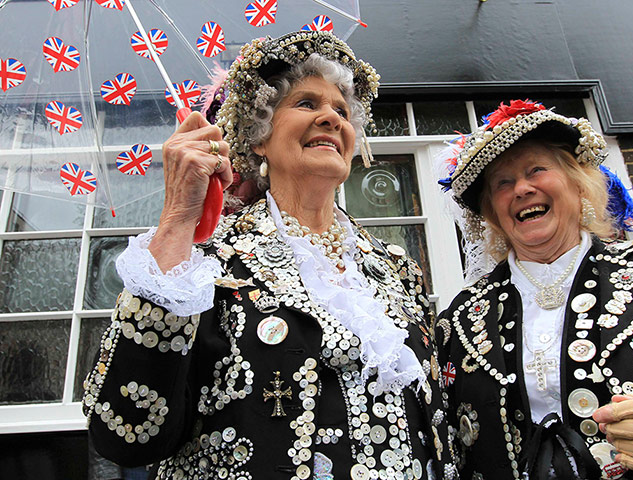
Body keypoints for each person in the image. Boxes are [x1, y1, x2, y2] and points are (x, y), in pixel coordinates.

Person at [82, 31, 456, 480]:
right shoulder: (204, 262)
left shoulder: (397, 269)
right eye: (306, 104)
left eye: (341, 110)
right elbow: (126, 433)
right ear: (259, 137)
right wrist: (180, 214)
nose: (331, 118)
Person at [435, 99, 633, 479]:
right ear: (493, 211)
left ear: (577, 183)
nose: (521, 189)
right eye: (503, 182)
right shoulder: (463, 316)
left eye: (536, 170)